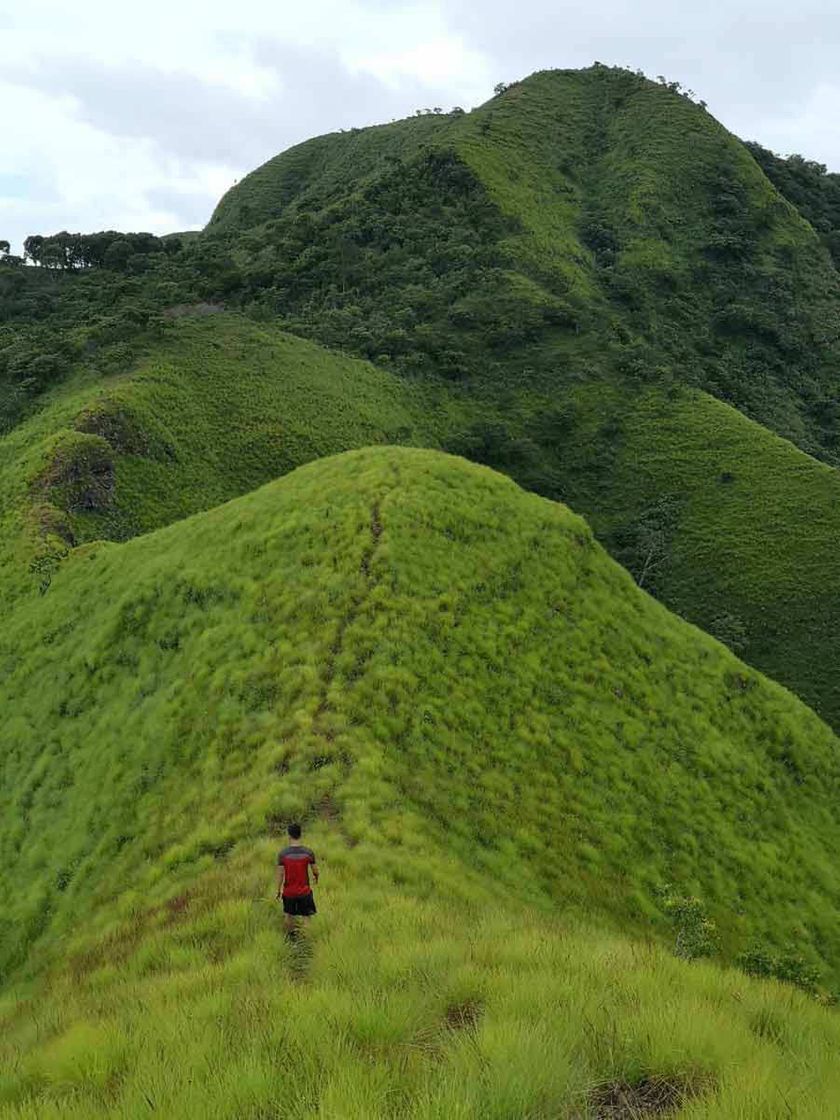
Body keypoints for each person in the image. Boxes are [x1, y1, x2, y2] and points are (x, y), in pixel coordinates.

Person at [276, 822, 319, 937]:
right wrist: (316, 877)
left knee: (288, 915)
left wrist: (278, 890)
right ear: (300, 835)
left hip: (289, 891)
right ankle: (307, 941)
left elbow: (280, 874)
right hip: (304, 891)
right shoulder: (308, 852)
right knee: (306, 917)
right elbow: (315, 870)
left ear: (289, 835)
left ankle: (289, 939)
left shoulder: (283, 854)